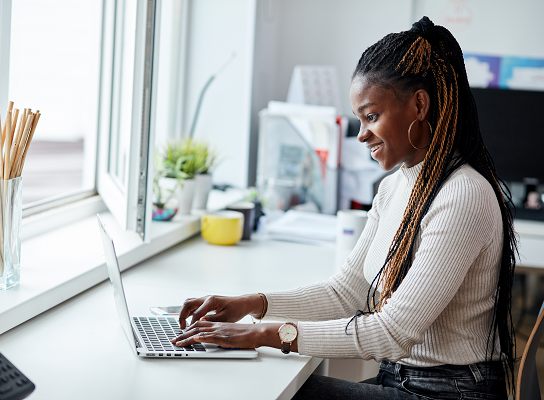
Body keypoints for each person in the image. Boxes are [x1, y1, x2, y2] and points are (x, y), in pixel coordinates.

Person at [172, 16, 516, 399]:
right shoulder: (394, 188)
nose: (361, 134)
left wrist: (263, 334)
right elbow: (346, 292)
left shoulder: (463, 195)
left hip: (447, 392)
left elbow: (392, 332)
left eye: (371, 116)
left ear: (419, 104)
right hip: (401, 380)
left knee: (270, 390)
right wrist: (254, 305)